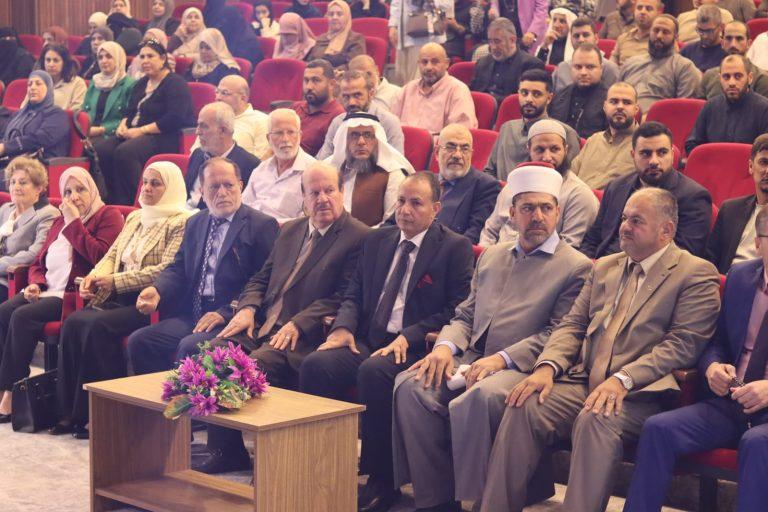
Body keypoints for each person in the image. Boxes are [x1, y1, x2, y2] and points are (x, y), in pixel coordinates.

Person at [479, 187, 721, 512]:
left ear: (667, 230)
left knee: (597, 418)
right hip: (585, 380)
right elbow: (572, 325)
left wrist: (623, 379)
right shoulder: (605, 266)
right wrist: (546, 368)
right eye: (624, 218)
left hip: (641, 394)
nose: (624, 227)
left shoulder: (695, 273)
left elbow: (682, 345)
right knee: (524, 402)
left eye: (637, 221)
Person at [392, 164, 592, 512]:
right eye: (528, 208)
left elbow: (559, 332)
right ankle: (435, 501)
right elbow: (466, 315)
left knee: (479, 397)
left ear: (558, 213)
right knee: (410, 386)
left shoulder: (576, 266)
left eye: (546, 208)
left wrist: (501, 360)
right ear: (512, 214)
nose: (537, 216)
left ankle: (480, 501)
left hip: (522, 366)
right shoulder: (492, 256)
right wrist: (444, 347)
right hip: (472, 357)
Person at [191, 162, 371, 473]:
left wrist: (299, 322)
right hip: (264, 325)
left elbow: (344, 296)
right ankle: (226, 452)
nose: (322, 199)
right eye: (314, 192)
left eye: (329, 190)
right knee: (213, 354)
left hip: (302, 334)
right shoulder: (290, 230)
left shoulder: (359, 237)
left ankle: (278, 468)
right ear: (303, 198)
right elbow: (261, 278)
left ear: (343, 192)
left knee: (255, 366)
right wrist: (247, 308)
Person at [310, 172, 474, 512]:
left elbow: (456, 309)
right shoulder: (377, 240)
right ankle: (324, 466)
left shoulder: (454, 247)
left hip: (415, 347)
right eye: (401, 201)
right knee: (317, 365)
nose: (405, 210)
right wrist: (343, 327)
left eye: (416, 203)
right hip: (370, 338)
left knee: (374, 372)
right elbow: (354, 294)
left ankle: (382, 479)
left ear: (436, 209)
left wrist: (408, 336)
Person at [625, 206, 768, 512]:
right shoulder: (741, 277)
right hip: (731, 400)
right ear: (758, 243)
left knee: (757, 443)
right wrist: (713, 367)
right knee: (659, 428)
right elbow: (717, 342)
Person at [51, 162, 190, 439]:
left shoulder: (181, 221)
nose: (147, 188)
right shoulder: (136, 217)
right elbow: (112, 255)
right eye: (145, 181)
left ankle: (103, 413)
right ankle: (70, 411)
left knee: (97, 326)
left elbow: (164, 270)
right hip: (118, 296)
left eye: (156, 183)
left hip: (151, 300)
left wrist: (115, 281)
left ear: (171, 187)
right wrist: (93, 276)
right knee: (75, 322)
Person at [127, 157, 278, 375]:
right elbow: (179, 267)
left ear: (241, 186)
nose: (222, 193)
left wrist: (225, 313)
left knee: (190, 346)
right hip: (194, 314)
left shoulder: (261, 225)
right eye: (214, 187)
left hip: (232, 317)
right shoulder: (195, 222)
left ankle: (180, 397)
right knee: (141, 341)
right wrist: (158, 289)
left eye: (229, 185)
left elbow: (264, 282)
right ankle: (152, 398)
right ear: (202, 192)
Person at [0, 168, 123, 423]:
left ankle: (12, 393)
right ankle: (4, 386)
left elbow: (101, 258)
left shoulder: (107, 216)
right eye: (67, 191)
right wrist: (36, 283)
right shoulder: (60, 220)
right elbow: (38, 261)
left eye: (80, 189)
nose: (73, 196)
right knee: (4, 312)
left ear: (92, 189)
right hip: (47, 289)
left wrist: (75, 223)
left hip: (72, 294)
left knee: (22, 316)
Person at [581, 121, 712, 259]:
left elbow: (681, 258)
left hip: (648, 270)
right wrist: (588, 265)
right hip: (602, 264)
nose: (654, 161)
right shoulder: (616, 187)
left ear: (672, 155)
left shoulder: (693, 197)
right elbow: (592, 239)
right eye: (645, 153)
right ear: (633, 155)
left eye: (662, 152)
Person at [94, 40, 194, 205]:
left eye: (150, 56)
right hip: (136, 133)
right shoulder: (141, 84)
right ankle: (113, 200)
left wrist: (142, 130)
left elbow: (174, 118)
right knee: (102, 149)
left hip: (163, 135)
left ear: (162, 59)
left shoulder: (175, 83)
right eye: (142, 57)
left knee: (126, 152)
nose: (145, 60)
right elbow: (129, 111)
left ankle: (136, 202)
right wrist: (122, 126)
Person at [480, 119, 598, 249]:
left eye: (554, 149)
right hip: (499, 256)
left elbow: (568, 249)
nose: (547, 157)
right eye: (540, 150)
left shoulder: (579, 194)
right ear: (529, 150)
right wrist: (487, 256)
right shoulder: (514, 184)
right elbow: (489, 232)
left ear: (565, 150)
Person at [485, 68, 581, 181]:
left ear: (549, 98)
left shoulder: (566, 133)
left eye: (536, 94)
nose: (529, 99)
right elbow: (489, 171)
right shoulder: (507, 128)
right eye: (524, 93)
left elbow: (569, 180)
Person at [328, 113, 415, 227]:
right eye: (354, 135)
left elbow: (392, 224)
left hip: (372, 237)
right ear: (345, 141)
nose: (361, 142)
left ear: (376, 140)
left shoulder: (392, 174)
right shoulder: (331, 170)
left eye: (368, 135)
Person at [0, 157, 59, 303]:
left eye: (23, 182)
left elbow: (35, 254)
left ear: (39, 188)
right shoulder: (5, 209)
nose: (16, 187)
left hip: (13, 280)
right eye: (13, 182)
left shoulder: (48, 214)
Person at [707, 134, 768, 274]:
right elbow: (710, 261)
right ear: (751, 166)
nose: (767, 171)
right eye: (763, 162)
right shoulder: (730, 210)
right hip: (727, 281)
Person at [243, 109, 316, 223]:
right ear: (268, 138)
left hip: (287, 231)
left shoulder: (313, 172)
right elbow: (244, 206)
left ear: (300, 135)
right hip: (252, 228)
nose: (285, 139)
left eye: (291, 132)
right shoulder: (260, 169)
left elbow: (311, 220)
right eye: (278, 133)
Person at [618, 15, 702, 113]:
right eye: (656, 30)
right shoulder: (630, 63)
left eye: (665, 32)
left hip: (656, 120)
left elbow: (683, 110)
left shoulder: (684, 67)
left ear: (676, 37)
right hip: (622, 117)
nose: (659, 36)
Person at [686, 55, 768, 154]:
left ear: (750, 78)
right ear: (719, 78)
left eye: (738, 76)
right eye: (726, 77)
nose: (731, 82)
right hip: (714, 163)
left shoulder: (764, 108)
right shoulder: (710, 106)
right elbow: (692, 144)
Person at [433, 124, 500, 244]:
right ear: (437, 152)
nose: (457, 155)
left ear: (471, 154)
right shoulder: (425, 181)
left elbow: (473, 236)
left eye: (464, 149)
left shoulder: (486, 186)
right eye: (451, 147)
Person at [187, 102, 261, 210]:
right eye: (198, 125)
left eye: (204, 126)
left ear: (223, 131)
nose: (197, 132)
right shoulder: (197, 154)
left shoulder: (250, 165)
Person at [392, 43, 478, 137]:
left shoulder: (458, 90)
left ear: (447, 63)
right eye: (424, 62)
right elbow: (390, 124)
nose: (428, 67)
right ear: (418, 64)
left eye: (435, 62)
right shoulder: (408, 89)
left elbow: (459, 135)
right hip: (402, 144)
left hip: (436, 146)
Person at [316, 69, 404, 159]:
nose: (351, 102)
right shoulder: (337, 122)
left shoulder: (389, 122)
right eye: (346, 96)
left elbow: (397, 162)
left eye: (357, 95)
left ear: (371, 94)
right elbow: (323, 159)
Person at [571, 81, 640, 189]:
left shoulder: (643, 145)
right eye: (614, 101)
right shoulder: (594, 140)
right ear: (604, 106)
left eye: (626, 102)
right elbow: (570, 177)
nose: (620, 107)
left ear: (636, 109)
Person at [190, 75, 269, 160]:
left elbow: (260, 160)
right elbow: (195, 154)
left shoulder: (262, 121)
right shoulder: (212, 118)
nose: (218, 97)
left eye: (224, 93)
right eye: (217, 92)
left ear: (243, 98)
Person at [469, 17, 545, 105]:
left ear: (512, 40)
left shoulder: (531, 65)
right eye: (490, 41)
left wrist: (490, 101)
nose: (493, 47)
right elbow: (471, 92)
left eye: (497, 41)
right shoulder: (482, 62)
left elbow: (526, 101)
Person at [0, 71, 69, 163]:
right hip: (10, 161)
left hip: (38, 165)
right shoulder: (20, 114)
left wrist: (6, 147)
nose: (32, 87)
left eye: (38, 84)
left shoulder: (56, 115)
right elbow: (4, 134)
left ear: (49, 88)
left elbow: (41, 139)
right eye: (29, 84)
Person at [548, 44, 609, 138]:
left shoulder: (610, 101)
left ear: (601, 69)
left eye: (590, 67)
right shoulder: (558, 97)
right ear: (571, 68)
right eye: (578, 67)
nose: (583, 72)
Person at [698, 21, 768, 99]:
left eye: (739, 39)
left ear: (748, 44)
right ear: (722, 43)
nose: (733, 44)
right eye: (728, 38)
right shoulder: (709, 75)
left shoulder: (762, 78)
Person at [388, 0, 454, 83]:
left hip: (425, 34)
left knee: (419, 79)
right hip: (402, 36)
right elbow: (396, 3)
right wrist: (393, 25)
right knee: (401, 77)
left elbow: (447, 4)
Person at [82, 42, 136, 140]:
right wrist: (85, 128)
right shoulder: (95, 81)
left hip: (112, 135)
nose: (103, 61)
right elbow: (84, 110)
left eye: (108, 56)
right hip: (88, 132)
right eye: (100, 57)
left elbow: (129, 117)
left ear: (118, 59)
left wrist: (102, 130)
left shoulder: (129, 84)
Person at [290, 60, 345, 156]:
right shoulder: (295, 107)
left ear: (331, 84)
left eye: (316, 80)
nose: (309, 86)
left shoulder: (338, 116)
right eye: (306, 80)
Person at [552, 17, 620, 93]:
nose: (581, 40)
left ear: (596, 38)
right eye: (576, 36)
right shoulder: (562, 68)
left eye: (585, 35)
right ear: (570, 40)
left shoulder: (610, 69)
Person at [202, 0, 265, 68]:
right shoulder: (227, 33)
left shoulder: (249, 41)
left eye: (224, 21)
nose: (222, 25)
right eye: (221, 22)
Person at [306, 0, 366, 68]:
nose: (334, 17)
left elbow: (355, 65)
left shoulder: (355, 38)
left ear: (347, 17)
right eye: (331, 14)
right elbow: (310, 62)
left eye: (339, 14)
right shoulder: (321, 38)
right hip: (316, 73)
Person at [33, 44, 87, 111]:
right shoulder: (36, 82)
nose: (51, 64)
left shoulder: (77, 83)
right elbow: (24, 109)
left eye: (56, 60)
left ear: (64, 63)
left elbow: (76, 110)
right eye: (48, 60)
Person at [610, 0, 660, 66]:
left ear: (658, 13)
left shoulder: (660, 40)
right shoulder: (622, 38)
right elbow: (611, 66)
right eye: (639, 8)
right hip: (621, 72)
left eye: (648, 9)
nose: (642, 12)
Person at [680, 5, 728, 72]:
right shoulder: (686, 51)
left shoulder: (728, 51)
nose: (705, 36)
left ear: (721, 27)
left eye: (709, 31)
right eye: (701, 30)